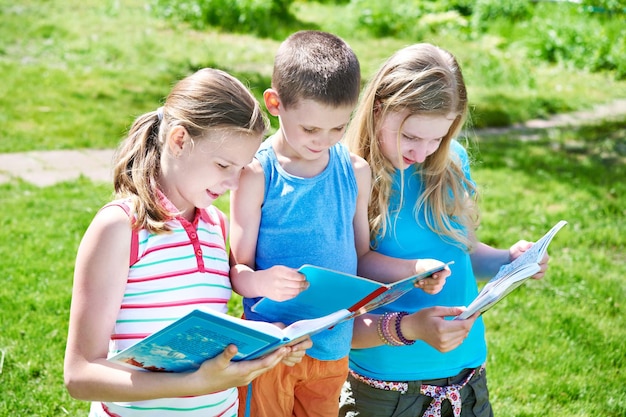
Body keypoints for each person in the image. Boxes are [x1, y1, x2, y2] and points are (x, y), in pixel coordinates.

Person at [63, 68, 311, 417]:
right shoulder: (121, 228)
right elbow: (80, 375)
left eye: (240, 169)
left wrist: (271, 339)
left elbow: (203, 329)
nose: (234, 183)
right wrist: (194, 384)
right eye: (224, 164)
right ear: (179, 141)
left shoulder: (215, 225)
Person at [229, 31, 450, 417]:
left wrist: (415, 270)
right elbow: (237, 271)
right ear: (275, 103)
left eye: (338, 128)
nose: (324, 141)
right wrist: (263, 282)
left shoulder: (355, 172)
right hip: (273, 351)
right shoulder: (256, 174)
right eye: (311, 129)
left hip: (332, 352)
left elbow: (361, 257)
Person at [339, 43, 551, 417]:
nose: (423, 153)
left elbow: (462, 253)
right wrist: (413, 310)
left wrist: (510, 259)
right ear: (378, 110)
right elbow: (347, 285)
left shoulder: (452, 164)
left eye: (437, 138)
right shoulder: (351, 176)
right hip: (388, 388)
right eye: (411, 137)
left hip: (467, 379)